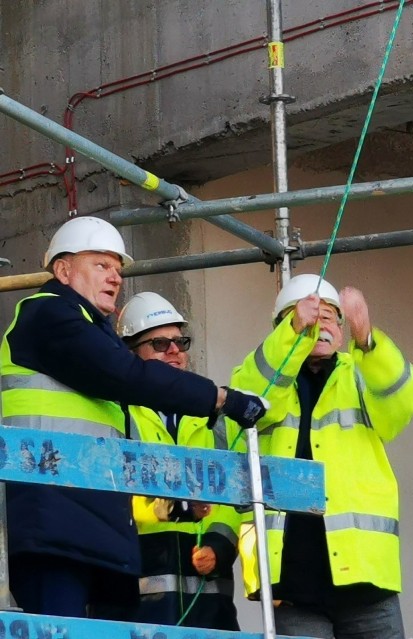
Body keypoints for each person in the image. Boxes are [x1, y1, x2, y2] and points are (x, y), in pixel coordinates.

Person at [0, 216, 267, 619]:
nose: (115, 277)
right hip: (52, 523)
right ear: (62, 269)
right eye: (101, 265)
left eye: (118, 269)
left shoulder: (88, 329)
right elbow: (127, 375)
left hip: (92, 525)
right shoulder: (47, 314)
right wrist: (218, 398)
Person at [232, 273, 413, 639]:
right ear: (283, 327)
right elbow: (246, 396)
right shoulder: (267, 376)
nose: (321, 326)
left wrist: (367, 340)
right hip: (291, 585)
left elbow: (407, 400)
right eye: (309, 317)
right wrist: (291, 335)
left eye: (330, 318)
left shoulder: (361, 373)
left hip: (366, 581)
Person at [116, 292, 242, 630]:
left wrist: (220, 543)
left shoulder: (213, 418)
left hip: (209, 594)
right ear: (131, 354)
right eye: (160, 343)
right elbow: (115, 495)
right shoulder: (119, 415)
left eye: (180, 341)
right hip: (140, 590)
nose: (175, 351)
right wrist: (176, 507)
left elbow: (232, 494)